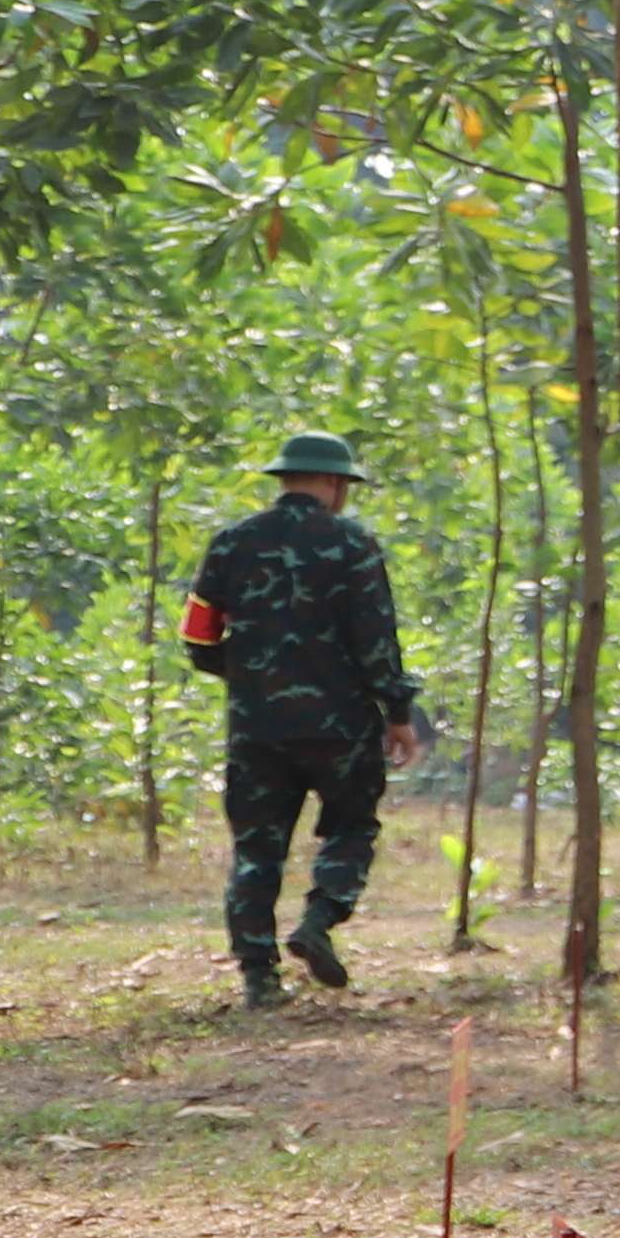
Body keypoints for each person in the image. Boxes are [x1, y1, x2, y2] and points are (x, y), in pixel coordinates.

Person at [182, 428, 423, 1007]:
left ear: (284, 478)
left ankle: (259, 979)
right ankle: (318, 920)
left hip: (257, 729)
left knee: (257, 851)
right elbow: (375, 640)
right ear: (336, 484)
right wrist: (396, 710)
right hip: (340, 726)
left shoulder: (230, 544)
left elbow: (197, 636)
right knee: (351, 826)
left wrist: (250, 678)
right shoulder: (353, 545)